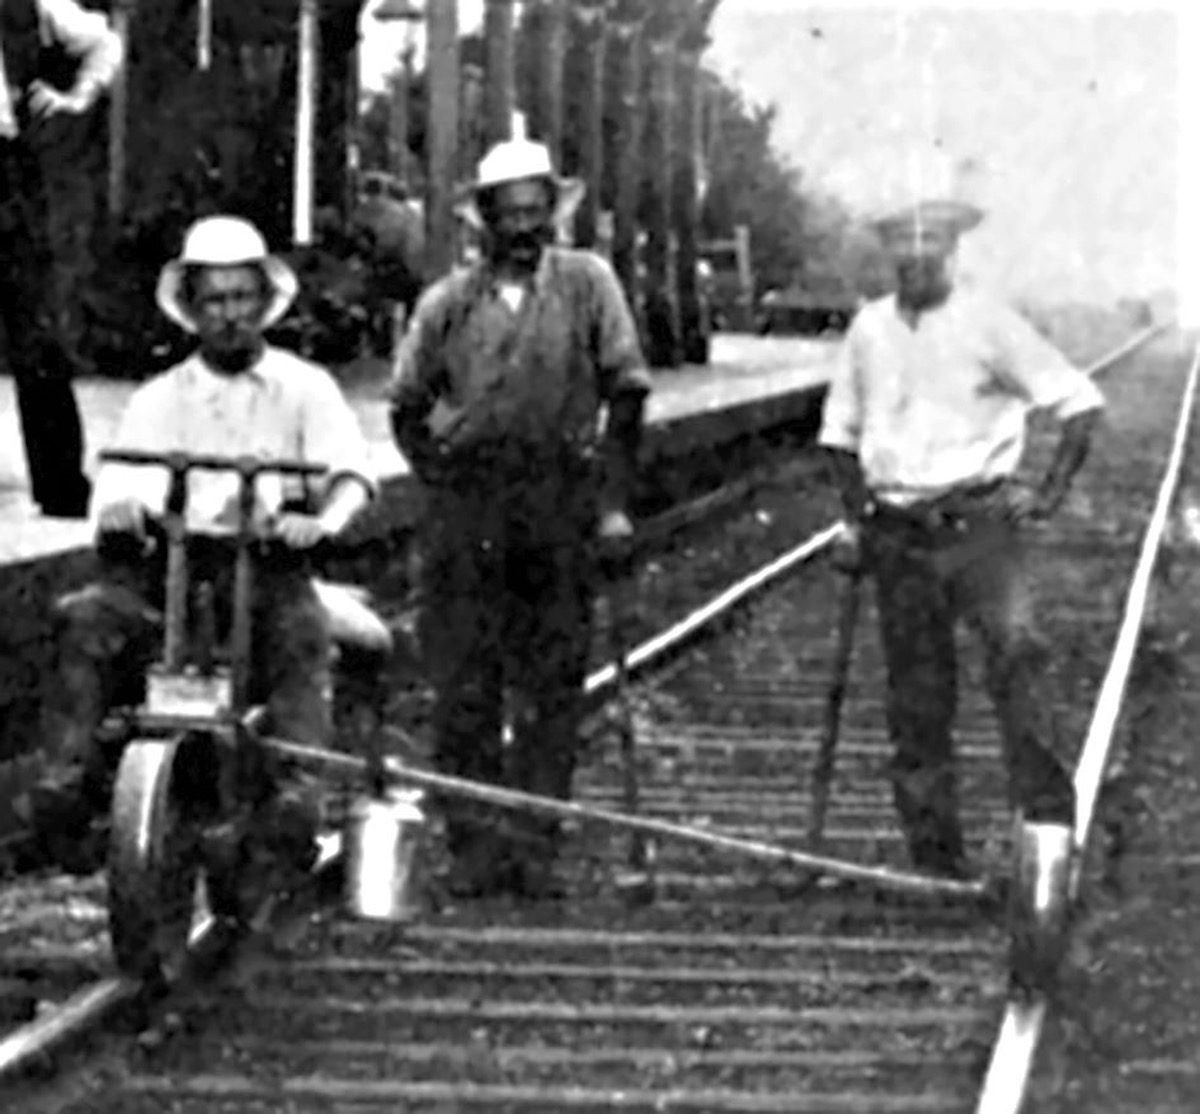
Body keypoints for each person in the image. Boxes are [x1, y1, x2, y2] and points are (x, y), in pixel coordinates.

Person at [21, 215, 387, 876]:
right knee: (86, 618)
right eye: (213, 300)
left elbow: (351, 474)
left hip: (269, 569)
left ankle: (295, 802)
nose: (228, 316)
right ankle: (69, 791)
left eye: (241, 298)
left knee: (300, 633)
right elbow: (120, 483)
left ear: (264, 303)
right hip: (173, 574)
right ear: (191, 309)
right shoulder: (163, 396)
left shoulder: (304, 388)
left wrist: (321, 523)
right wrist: (124, 508)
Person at [389, 123, 651, 901]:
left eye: (538, 211)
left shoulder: (587, 284)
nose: (526, 227)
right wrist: (444, 485)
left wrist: (610, 505)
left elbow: (628, 391)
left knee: (551, 677)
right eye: (510, 213)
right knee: (465, 679)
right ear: (485, 220)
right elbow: (406, 405)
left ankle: (534, 843)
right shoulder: (447, 303)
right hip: (471, 501)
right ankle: (474, 845)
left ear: (554, 214)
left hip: (557, 496)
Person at [818, 197, 1105, 879]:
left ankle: (1047, 836)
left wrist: (1050, 493)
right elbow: (839, 435)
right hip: (900, 534)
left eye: (932, 245)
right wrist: (857, 519)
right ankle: (936, 861)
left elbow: (1079, 403)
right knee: (917, 698)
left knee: (1017, 656)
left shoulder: (989, 322)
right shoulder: (868, 329)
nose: (917, 258)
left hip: (981, 529)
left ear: (953, 251)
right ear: (891, 255)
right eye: (904, 247)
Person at [1, 0, 124, 518]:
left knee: (37, 329)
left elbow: (105, 43)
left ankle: (61, 489)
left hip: (5, 171)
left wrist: (78, 96)